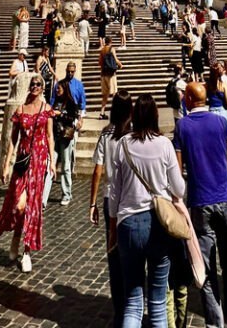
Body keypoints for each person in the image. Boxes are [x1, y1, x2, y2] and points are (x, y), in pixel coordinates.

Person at [174, 82, 227, 328]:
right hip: (226, 198)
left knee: (204, 269)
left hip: (199, 202)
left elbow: (177, 171)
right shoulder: (221, 122)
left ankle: (215, 323)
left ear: (187, 98)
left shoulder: (182, 126)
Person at [108, 94, 186, 328]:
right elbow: (179, 188)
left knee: (132, 301)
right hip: (158, 224)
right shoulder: (164, 144)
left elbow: (114, 192)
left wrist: (113, 226)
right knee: (158, 303)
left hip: (128, 224)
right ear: (155, 116)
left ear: (134, 116)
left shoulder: (122, 144)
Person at [0, 74, 56, 272]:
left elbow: (50, 136)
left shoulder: (47, 110)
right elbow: (13, 139)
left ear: (43, 88)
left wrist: (52, 162)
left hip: (39, 162)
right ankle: (15, 240)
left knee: (31, 208)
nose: (35, 86)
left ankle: (26, 252)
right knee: (19, 206)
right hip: (22, 161)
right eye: (33, 84)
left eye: (38, 84)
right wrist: (6, 163)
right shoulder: (21, 109)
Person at [89, 91, 133, 328]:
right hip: (133, 200)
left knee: (114, 256)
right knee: (133, 256)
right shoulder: (136, 133)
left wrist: (92, 202)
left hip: (110, 200)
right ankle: (132, 308)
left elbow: (97, 171)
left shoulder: (106, 134)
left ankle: (120, 312)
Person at [49, 62, 86, 205]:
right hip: (60, 124)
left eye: (72, 72)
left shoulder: (78, 85)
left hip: (72, 123)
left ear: (75, 71)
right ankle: (65, 184)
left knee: (70, 154)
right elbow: (52, 102)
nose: (70, 74)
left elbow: (82, 103)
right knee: (62, 156)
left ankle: (67, 181)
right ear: (66, 70)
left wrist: (80, 120)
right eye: (68, 71)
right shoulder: (59, 85)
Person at [100, 37, 123, 118]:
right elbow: (116, 59)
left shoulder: (102, 50)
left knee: (105, 95)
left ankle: (102, 113)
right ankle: (116, 112)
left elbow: (100, 62)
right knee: (114, 94)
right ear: (111, 42)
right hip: (111, 74)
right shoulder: (111, 49)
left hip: (103, 74)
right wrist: (120, 64)